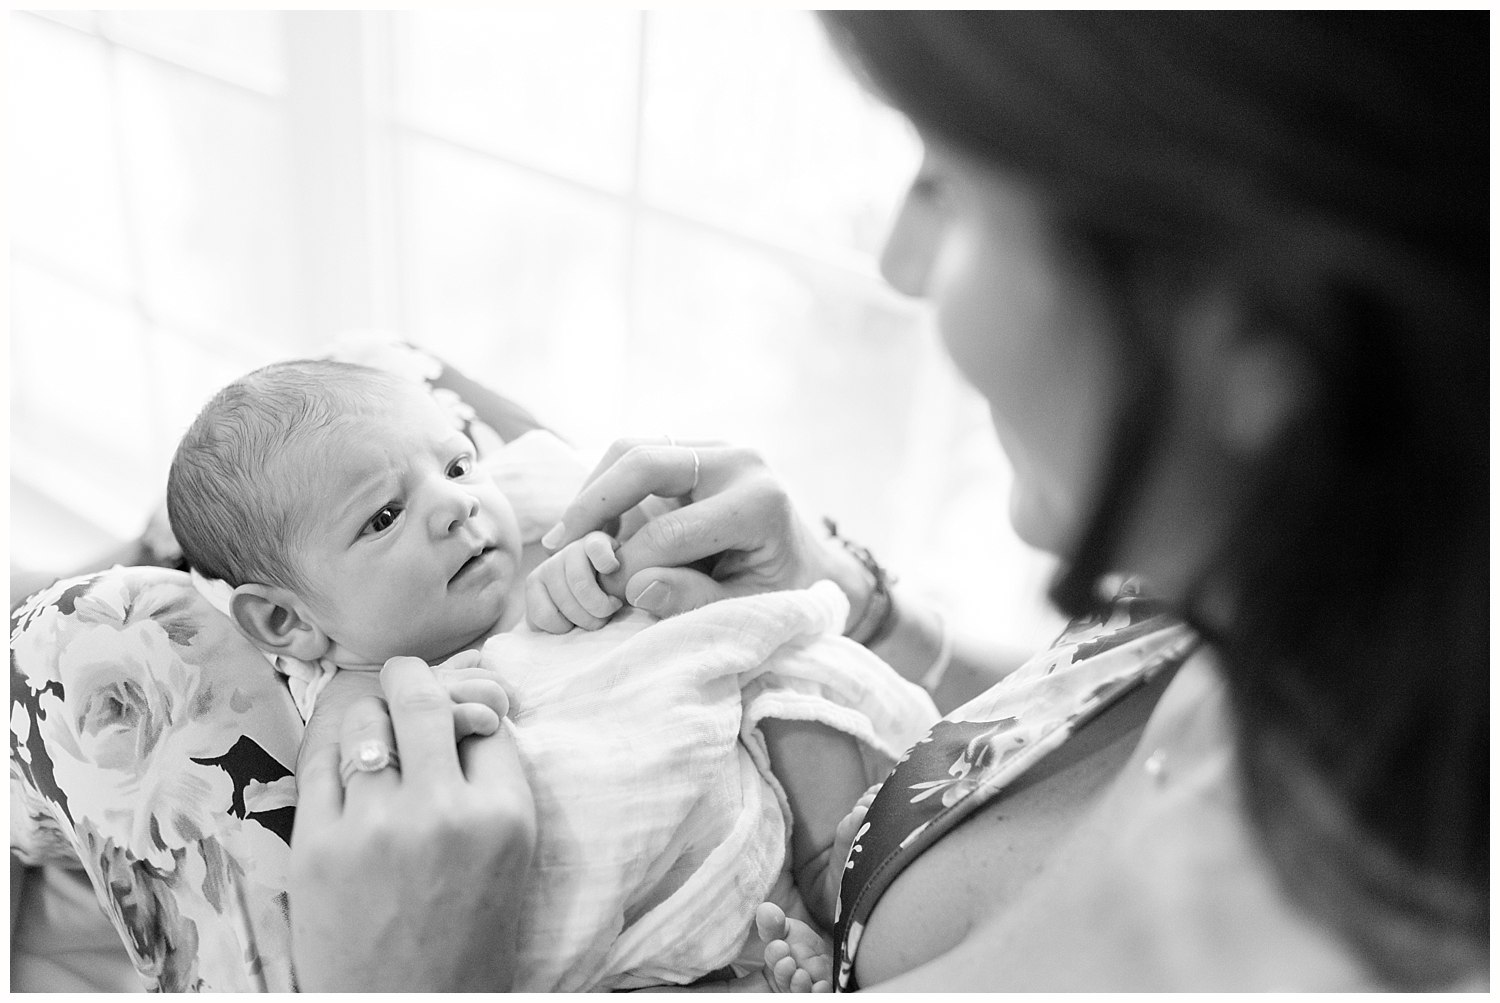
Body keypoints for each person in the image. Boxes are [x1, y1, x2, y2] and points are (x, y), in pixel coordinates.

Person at [286, 11, 1488, 991]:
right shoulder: (1307, 597)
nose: (900, 264)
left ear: (1259, 329)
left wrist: (403, 983)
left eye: (950, 188)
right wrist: (847, 600)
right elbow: (1051, 738)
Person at [165, 359, 938, 991]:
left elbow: (631, 600)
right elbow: (367, 811)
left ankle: (829, 875)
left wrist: (586, 574)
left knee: (777, 679)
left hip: (733, 750)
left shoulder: (526, 540)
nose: (455, 507)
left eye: (456, 465)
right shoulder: (353, 692)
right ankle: (796, 939)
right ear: (287, 622)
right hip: (631, 884)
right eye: (381, 517)